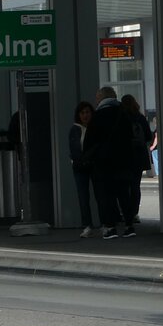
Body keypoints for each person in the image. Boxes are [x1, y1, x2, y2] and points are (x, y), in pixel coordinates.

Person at [82, 86, 134, 239]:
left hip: (103, 163)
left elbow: (90, 140)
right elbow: (130, 136)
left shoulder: (97, 116)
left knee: (107, 195)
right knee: (124, 193)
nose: (96, 100)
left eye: (97, 97)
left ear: (102, 98)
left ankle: (110, 227)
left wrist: (87, 156)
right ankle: (129, 226)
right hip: (123, 161)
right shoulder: (123, 114)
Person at [120, 94, 153, 226]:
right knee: (135, 186)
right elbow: (148, 136)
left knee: (124, 186)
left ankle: (125, 212)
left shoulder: (122, 118)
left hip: (125, 156)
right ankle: (134, 213)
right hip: (139, 156)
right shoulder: (140, 117)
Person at [67, 101, 98, 238]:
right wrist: (82, 160)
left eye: (87, 112)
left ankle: (105, 223)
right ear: (78, 115)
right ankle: (87, 225)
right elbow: (74, 149)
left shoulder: (96, 128)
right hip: (80, 167)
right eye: (82, 113)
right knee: (83, 197)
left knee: (100, 195)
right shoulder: (75, 129)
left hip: (94, 165)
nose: (85, 115)